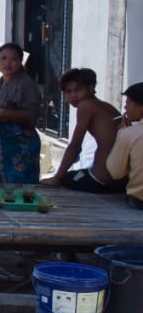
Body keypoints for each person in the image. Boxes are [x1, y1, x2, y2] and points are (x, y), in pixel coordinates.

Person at [41, 68, 124, 193]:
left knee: (64, 179)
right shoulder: (106, 106)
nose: (73, 95)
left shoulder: (86, 105)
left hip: (102, 179)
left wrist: (57, 178)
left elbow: (75, 146)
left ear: (91, 88)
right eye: (69, 91)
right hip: (121, 180)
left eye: (77, 90)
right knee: (72, 175)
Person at [0, 43, 42, 184]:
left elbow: (31, 115)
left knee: (15, 188)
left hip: (16, 146)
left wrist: (1, 114)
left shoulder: (25, 83)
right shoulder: (1, 81)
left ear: (20, 62)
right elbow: (0, 105)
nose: (8, 63)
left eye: (14, 59)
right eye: (3, 58)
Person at [106, 82, 143, 210]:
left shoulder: (130, 133)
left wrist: (121, 133)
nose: (125, 108)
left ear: (140, 107)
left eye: (128, 103)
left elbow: (115, 172)